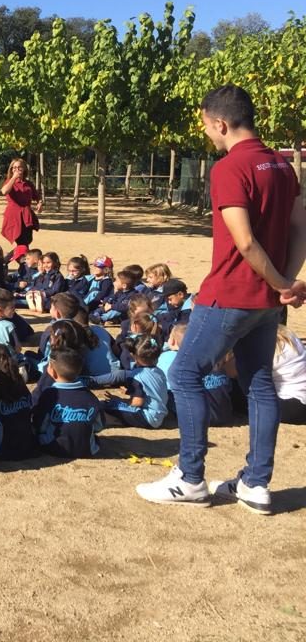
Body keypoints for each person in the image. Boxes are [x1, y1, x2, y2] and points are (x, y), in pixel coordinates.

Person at [137, 85, 306, 515]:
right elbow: (300, 226)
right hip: (267, 301)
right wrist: (285, 282)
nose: (207, 133)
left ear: (221, 123)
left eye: (206, 126)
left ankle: (190, 477)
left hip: (230, 293)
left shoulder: (230, 168)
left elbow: (245, 242)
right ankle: (256, 483)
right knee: (259, 383)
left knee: (184, 374)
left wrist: (280, 280)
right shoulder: (282, 166)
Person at [0, 157, 42, 265]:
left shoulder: (28, 184)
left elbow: (37, 196)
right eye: (14, 168)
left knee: (25, 242)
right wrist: (13, 178)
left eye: (19, 167)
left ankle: (7, 263)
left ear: (24, 169)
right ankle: (20, 264)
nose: (16, 169)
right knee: (22, 244)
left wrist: (39, 202)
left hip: (26, 216)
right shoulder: (9, 182)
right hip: (14, 216)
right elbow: (4, 191)